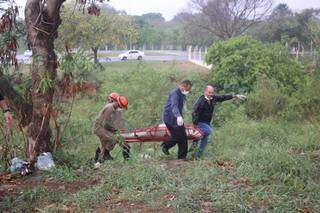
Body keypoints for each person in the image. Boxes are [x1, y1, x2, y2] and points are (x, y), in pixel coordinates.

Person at [191, 84, 246, 159]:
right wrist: (195, 125)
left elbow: (223, 97)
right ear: (205, 92)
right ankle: (194, 145)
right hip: (200, 122)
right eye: (209, 92)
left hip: (207, 122)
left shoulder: (213, 98)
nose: (211, 94)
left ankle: (196, 156)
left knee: (204, 139)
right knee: (208, 131)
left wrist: (235, 96)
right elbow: (194, 113)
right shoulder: (200, 101)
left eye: (212, 92)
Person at [93, 95, 130, 162]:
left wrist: (119, 129)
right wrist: (115, 130)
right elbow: (105, 123)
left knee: (104, 145)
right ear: (117, 103)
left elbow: (116, 122)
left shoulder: (114, 109)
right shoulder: (109, 108)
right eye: (120, 106)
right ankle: (105, 155)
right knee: (113, 139)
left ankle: (97, 161)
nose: (120, 108)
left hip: (104, 128)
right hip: (99, 127)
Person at [161, 80, 192, 160]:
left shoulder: (182, 94)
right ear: (183, 86)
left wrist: (180, 117)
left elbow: (180, 107)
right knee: (178, 136)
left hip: (177, 118)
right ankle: (165, 146)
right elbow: (174, 106)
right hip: (170, 118)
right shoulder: (175, 93)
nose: (187, 91)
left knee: (183, 136)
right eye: (187, 89)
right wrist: (178, 116)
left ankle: (182, 158)